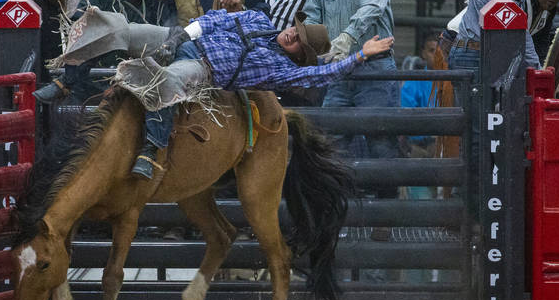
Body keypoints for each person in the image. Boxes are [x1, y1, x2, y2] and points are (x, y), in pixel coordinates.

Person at [116, 9, 393, 178]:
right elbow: (214, 20)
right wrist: (178, 38)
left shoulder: (282, 70)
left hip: (201, 68)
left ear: (300, 57)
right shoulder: (258, 18)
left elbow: (322, 74)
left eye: (299, 41)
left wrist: (359, 56)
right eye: (296, 30)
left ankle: (151, 148)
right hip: (183, 40)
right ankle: (75, 55)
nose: (292, 35)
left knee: (167, 80)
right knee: (122, 30)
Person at [303, 0, 399, 200]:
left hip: (374, 68)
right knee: (333, 141)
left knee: (381, 141)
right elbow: (311, 15)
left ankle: (388, 214)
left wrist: (345, 38)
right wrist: (314, 44)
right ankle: (340, 212)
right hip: (337, 69)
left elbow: (372, 7)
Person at [33, 0, 176, 103]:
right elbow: (78, 19)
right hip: (93, 77)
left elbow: (167, 39)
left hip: (141, 81)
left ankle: (65, 82)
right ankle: (68, 82)